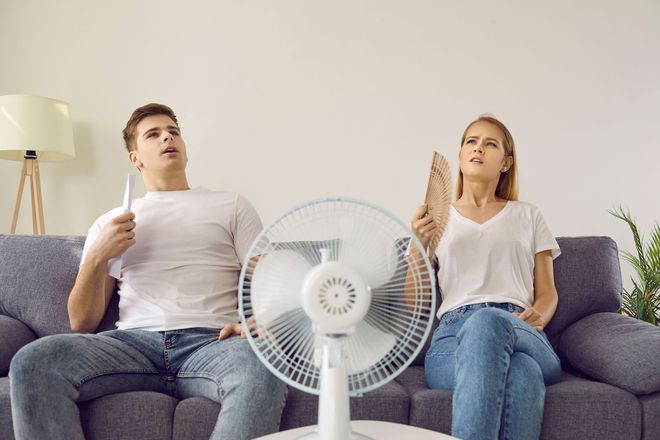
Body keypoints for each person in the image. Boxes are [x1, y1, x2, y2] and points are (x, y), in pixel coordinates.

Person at [9, 103, 287, 440]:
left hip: (211, 342)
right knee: (33, 361)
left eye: (173, 131)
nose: (167, 137)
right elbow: (81, 323)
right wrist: (97, 256)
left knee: (261, 365)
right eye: (153, 134)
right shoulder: (113, 221)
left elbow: (273, 277)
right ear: (135, 158)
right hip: (133, 345)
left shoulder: (231, 205)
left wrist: (264, 318)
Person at [411, 115, 562, 440]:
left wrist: (538, 316)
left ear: (506, 162)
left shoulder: (529, 216)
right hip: (454, 336)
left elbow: (548, 293)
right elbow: (413, 305)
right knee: (522, 373)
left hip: (518, 327)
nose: (478, 148)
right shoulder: (438, 219)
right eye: (471, 141)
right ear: (461, 154)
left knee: (489, 322)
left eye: (490, 143)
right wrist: (418, 247)